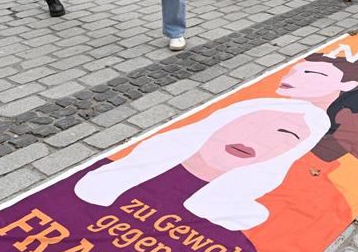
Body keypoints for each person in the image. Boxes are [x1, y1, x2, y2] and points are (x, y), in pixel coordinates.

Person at [75, 97, 331, 230]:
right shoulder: (110, 176)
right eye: (252, 123)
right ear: (224, 120)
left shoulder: (241, 220)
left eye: (286, 136)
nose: (255, 139)